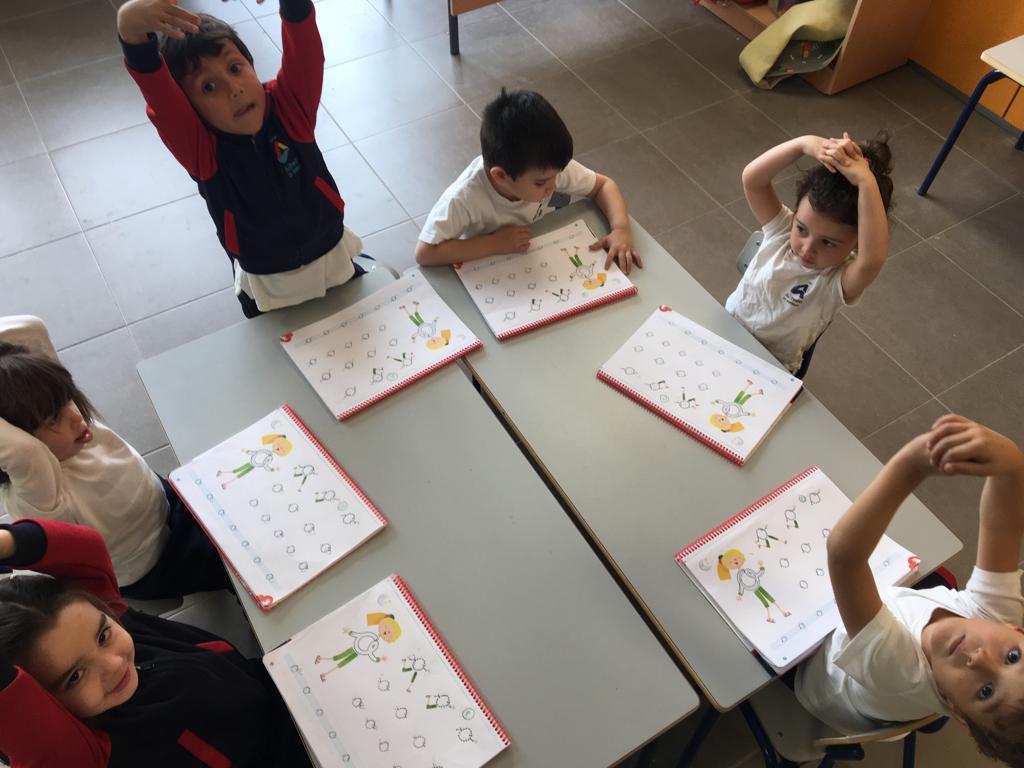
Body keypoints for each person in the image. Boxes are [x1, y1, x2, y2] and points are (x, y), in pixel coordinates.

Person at [796, 414, 1024, 767]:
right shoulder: (1000, 620)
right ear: (1018, 630)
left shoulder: (898, 673)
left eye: (985, 692)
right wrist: (1010, 463)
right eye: (1013, 658)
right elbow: (1004, 527)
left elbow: (844, 556)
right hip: (878, 622)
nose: (979, 659)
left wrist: (911, 466)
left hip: (816, 667)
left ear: (958, 714)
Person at [116, 0, 366, 318]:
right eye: (209, 87)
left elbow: (305, 52)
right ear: (189, 108)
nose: (234, 89)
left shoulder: (289, 109)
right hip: (266, 284)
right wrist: (130, 29)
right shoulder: (202, 151)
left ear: (251, 63)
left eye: (235, 68)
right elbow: (161, 98)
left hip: (332, 255)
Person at [0, 517, 310, 766]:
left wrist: (8, 541)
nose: (114, 663)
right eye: (75, 677)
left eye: (103, 636)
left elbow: (85, 550)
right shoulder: (89, 755)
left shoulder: (110, 618)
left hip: (277, 686)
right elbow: (14, 709)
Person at [0, 316, 228, 599]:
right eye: (53, 419)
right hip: (155, 563)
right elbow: (25, 453)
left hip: (164, 505)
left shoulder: (72, 432)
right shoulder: (40, 490)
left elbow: (31, 330)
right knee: (237, 564)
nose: (76, 416)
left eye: (68, 398)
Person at [415, 88, 641, 274]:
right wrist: (494, 244)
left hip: (541, 250)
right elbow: (425, 252)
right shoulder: (464, 198)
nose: (554, 186)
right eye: (541, 184)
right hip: (491, 267)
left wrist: (620, 229)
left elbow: (604, 185)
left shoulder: (545, 167)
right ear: (501, 176)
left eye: (556, 176)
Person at [725, 132, 893, 377]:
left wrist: (866, 182)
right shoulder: (782, 230)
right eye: (801, 229)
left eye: (828, 243)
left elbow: (872, 260)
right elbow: (753, 180)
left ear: (857, 242)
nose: (807, 248)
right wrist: (803, 144)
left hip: (769, 371)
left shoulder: (836, 281)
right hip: (725, 331)